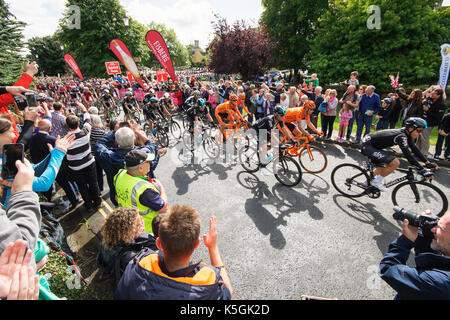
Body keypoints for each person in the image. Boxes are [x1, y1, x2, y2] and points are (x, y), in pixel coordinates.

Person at [116, 205, 233, 300]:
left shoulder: (138, 265)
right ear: (197, 244)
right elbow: (228, 291)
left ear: (158, 243)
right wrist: (213, 248)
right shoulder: (207, 283)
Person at [379, 210, 450, 300]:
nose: (433, 229)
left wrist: (405, 240)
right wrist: (424, 232)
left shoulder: (440, 283)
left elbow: (388, 269)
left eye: (440, 228)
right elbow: (431, 266)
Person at [360, 117, 438, 191]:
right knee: (395, 163)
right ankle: (376, 182)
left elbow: (414, 149)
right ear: (411, 128)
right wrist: (422, 169)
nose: (420, 134)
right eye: (419, 131)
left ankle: (366, 182)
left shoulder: (406, 133)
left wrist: (427, 163)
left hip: (372, 144)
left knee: (384, 164)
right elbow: (408, 155)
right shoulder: (401, 136)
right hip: (368, 146)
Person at [97, 207, 159, 287]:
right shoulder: (130, 258)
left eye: (141, 218)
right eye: (138, 224)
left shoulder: (109, 239)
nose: (143, 222)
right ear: (129, 231)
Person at [114, 150, 168, 234]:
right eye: (148, 162)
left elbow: (117, 198)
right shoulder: (144, 189)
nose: (150, 163)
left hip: (129, 225)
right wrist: (161, 188)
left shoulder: (119, 175)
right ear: (140, 168)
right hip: (147, 230)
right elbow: (163, 208)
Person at [65, 103, 101, 213]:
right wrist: (84, 109)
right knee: (93, 183)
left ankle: (88, 204)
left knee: (82, 186)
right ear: (78, 123)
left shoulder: (65, 138)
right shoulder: (85, 132)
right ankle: (97, 202)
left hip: (75, 167)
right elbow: (88, 121)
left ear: (67, 125)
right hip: (89, 163)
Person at [417, 87, 447, 158]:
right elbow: (423, 96)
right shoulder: (429, 99)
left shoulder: (442, 105)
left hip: (430, 122)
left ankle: (424, 152)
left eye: (434, 93)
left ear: (438, 95)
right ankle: (417, 149)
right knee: (419, 136)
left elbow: (438, 116)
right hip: (422, 119)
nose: (432, 94)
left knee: (424, 136)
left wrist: (428, 110)